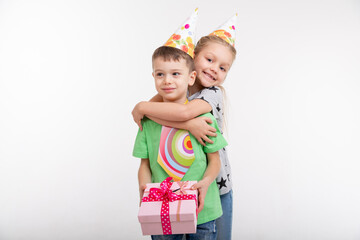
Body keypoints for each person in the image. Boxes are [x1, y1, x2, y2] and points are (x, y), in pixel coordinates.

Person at [132, 14, 238, 240]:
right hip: (177, 188)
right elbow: (149, 116)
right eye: (209, 60)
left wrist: (143, 107)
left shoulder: (213, 93)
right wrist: (144, 109)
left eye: (223, 68)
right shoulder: (174, 87)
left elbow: (183, 112)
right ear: (193, 57)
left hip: (215, 184)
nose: (214, 70)